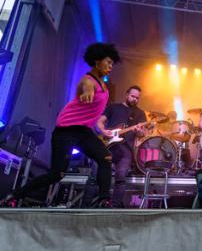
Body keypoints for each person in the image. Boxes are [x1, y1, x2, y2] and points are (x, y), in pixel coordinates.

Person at [1, 43, 121, 207]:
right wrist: (87, 93)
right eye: (108, 62)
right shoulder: (88, 81)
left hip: (83, 131)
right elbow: (86, 87)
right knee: (57, 174)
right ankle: (14, 195)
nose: (110, 66)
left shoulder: (105, 86)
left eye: (112, 63)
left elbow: (96, 113)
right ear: (96, 61)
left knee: (105, 158)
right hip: (65, 130)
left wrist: (102, 128)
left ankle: (104, 200)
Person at [96, 85, 147, 208]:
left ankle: (114, 207)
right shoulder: (113, 107)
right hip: (107, 146)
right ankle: (89, 205)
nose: (135, 99)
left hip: (126, 150)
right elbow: (99, 122)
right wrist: (104, 131)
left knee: (121, 178)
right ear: (126, 95)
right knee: (95, 176)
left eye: (137, 98)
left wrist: (139, 130)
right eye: (133, 96)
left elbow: (142, 133)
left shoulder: (140, 113)